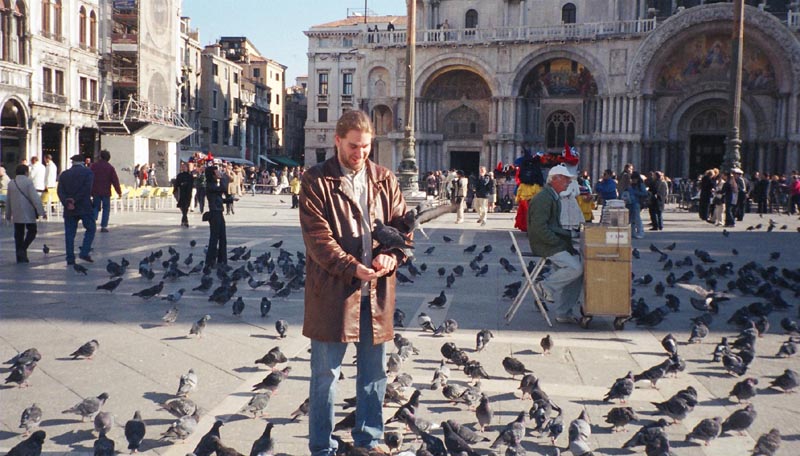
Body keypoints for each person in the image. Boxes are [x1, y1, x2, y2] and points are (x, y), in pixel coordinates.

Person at [299, 110, 409, 456]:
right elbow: (318, 240)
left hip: (376, 294)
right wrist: (351, 267)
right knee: (325, 376)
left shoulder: (385, 179)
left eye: (365, 147)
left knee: (374, 374)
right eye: (353, 146)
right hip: (334, 294)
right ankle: (322, 447)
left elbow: (403, 231)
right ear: (337, 141)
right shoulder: (316, 181)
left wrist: (392, 256)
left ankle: (369, 440)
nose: (359, 153)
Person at [527, 164, 583, 323]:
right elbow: (539, 228)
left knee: (578, 273)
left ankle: (564, 312)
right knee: (575, 268)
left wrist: (567, 239)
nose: (567, 183)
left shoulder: (552, 196)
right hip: (544, 244)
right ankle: (546, 286)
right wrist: (558, 242)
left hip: (551, 243)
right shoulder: (544, 198)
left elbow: (552, 226)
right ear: (555, 179)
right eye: (565, 179)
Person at [57, 154, 96, 264]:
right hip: (84, 206)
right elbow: (86, 190)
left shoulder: (64, 174)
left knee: (69, 234)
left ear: (72, 162)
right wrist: (75, 199)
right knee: (91, 228)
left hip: (69, 209)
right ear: (83, 162)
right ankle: (84, 251)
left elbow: (60, 191)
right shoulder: (88, 173)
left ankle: (70, 258)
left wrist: (67, 201)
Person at [5, 164, 45, 263]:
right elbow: (35, 198)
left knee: (18, 234)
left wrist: (8, 215)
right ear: (26, 172)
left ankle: (20, 256)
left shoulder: (11, 183)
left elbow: (8, 200)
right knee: (32, 231)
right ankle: (23, 249)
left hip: (16, 212)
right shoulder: (28, 182)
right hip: (28, 212)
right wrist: (41, 211)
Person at [90, 149, 122, 233]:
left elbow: (89, 178)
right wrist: (119, 192)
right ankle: (104, 226)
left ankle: (92, 221)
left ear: (100, 157)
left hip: (95, 190)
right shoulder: (110, 167)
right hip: (106, 191)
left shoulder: (93, 166)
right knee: (106, 209)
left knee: (95, 206)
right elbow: (115, 180)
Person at [204, 162, 229, 270]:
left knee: (222, 238)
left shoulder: (214, 185)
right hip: (214, 214)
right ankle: (210, 261)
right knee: (214, 238)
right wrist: (223, 177)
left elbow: (219, 198)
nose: (219, 173)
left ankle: (222, 260)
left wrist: (229, 200)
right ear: (212, 174)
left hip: (219, 212)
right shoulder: (210, 185)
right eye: (216, 172)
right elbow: (223, 188)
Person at [626, 172, 649, 239]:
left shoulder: (641, 185)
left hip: (637, 203)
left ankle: (640, 232)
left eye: (634, 179)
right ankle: (632, 233)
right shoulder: (631, 185)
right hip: (630, 203)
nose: (633, 180)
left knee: (637, 218)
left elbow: (645, 193)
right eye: (632, 179)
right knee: (631, 219)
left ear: (637, 179)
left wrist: (635, 192)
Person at [173, 161, 194, 227]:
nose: (184, 168)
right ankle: (185, 220)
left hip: (188, 193)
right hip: (181, 193)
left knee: (186, 206)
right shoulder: (179, 175)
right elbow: (177, 184)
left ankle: (184, 220)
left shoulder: (190, 176)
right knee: (183, 206)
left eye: (185, 167)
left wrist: (186, 184)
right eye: (183, 167)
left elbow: (191, 184)